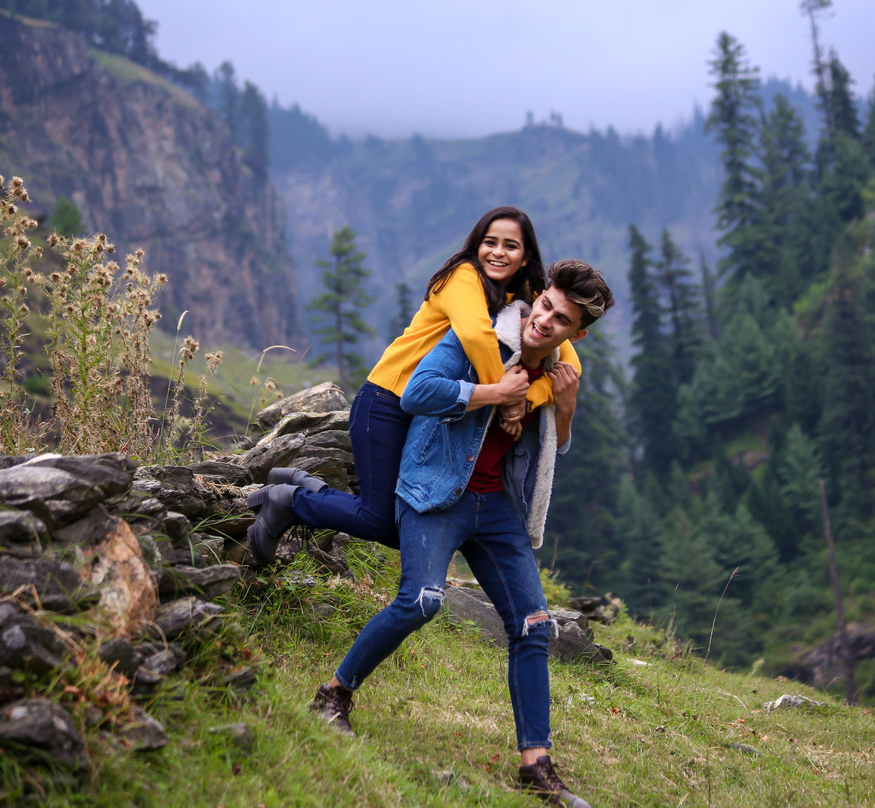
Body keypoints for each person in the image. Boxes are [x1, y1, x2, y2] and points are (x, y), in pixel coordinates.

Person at [310, 260, 614, 807]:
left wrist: (564, 406)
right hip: (433, 487)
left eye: (562, 320)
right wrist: (496, 393)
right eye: (545, 306)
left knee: (534, 625)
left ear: (577, 333)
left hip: (496, 507)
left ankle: (536, 766)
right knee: (421, 601)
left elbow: (554, 444)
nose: (545, 321)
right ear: (538, 297)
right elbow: (418, 392)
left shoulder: (559, 373)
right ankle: (333, 694)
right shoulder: (480, 336)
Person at [247, 207, 582, 560]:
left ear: (525, 256)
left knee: (406, 520)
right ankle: (288, 500)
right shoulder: (463, 276)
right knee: (382, 523)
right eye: (490, 242)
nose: (498, 252)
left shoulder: (527, 299)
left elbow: (570, 362)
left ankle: (303, 486)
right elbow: (475, 335)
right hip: (389, 400)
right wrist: (502, 397)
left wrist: (527, 400)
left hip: (431, 413)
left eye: (510, 246)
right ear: (476, 245)